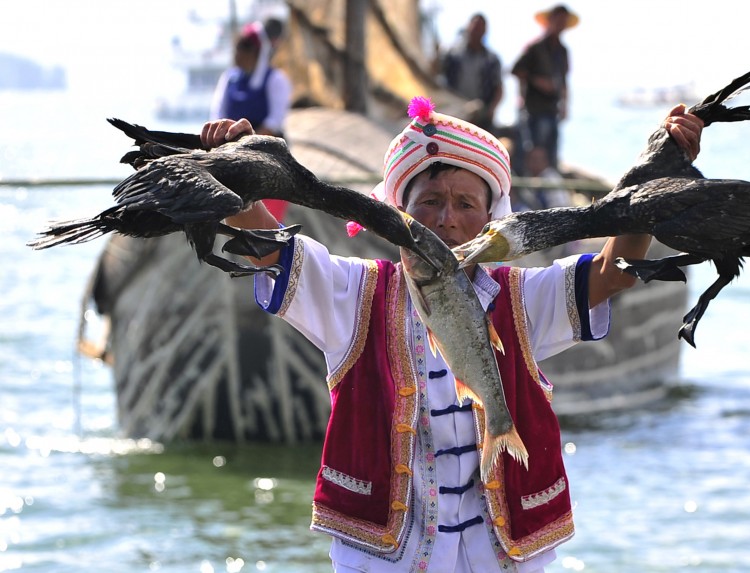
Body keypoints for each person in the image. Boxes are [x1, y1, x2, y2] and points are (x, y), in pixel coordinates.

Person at [201, 98, 703, 571]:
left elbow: (614, 272)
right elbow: (273, 251)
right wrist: (236, 171)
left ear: (490, 220)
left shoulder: (521, 298)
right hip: (382, 559)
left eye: (466, 204)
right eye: (430, 202)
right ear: (400, 216)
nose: (448, 220)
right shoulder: (355, 294)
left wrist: (656, 175)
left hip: (503, 557)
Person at [210, 21, 293, 221]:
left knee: (268, 224)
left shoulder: (276, 80)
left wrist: (246, 143)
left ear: (258, 52)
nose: (237, 53)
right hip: (232, 159)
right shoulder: (229, 79)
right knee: (237, 222)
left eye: (243, 48)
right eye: (237, 47)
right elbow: (216, 115)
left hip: (269, 159)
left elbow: (274, 122)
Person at [511, 4, 578, 171]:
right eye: (558, 19)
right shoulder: (535, 47)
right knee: (532, 154)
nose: (560, 24)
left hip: (552, 110)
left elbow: (564, 81)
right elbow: (516, 70)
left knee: (551, 155)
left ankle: (547, 193)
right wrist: (538, 81)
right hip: (533, 110)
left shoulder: (563, 51)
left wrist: (565, 105)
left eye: (563, 20)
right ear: (550, 21)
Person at [438, 13, 504, 133]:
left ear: (485, 31)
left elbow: (498, 88)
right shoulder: (452, 54)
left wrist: (491, 110)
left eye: (480, 28)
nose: (476, 31)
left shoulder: (491, 60)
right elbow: (436, 73)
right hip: (453, 112)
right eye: (474, 27)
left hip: (480, 118)